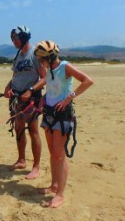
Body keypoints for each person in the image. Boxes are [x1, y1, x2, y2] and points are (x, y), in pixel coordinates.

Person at [34, 40, 94, 208]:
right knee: (53, 153)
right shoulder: (49, 69)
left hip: (62, 117)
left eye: (41, 59)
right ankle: (54, 185)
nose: (40, 63)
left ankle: (60, 194)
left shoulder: (65, 67)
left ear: (49, 57)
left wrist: (70, 97)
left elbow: (88, 80)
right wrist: (43, 99)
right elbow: (52, 88)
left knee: (59, 156)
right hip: (49, 114)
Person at [4, 25, 46, 179]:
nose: (13, 41)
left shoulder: (35, 54)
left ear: (23, 38)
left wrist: (30, 90)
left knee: (33, 130)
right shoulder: (18, 56)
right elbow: (15, 75)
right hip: (16, 98)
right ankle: (21, 160)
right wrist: (8, 87)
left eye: (15, 38)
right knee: (19, 128)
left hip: (31, 100)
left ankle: (36, 166)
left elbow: (44, 78)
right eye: (12, 39)